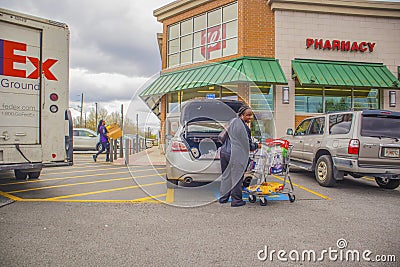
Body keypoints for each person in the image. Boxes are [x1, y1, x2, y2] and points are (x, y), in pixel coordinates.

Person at [219, 105, 261, 207]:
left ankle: (223, 198)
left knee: (226, 176)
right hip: (235, 154)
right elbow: (248, 145)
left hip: (224, 152)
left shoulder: (232, 121)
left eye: (251, 115)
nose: (251, 117)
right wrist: (257, 145)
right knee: (237, 178)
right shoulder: (244, 127)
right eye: (248, 115)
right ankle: (236, 201)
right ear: (242, 115)